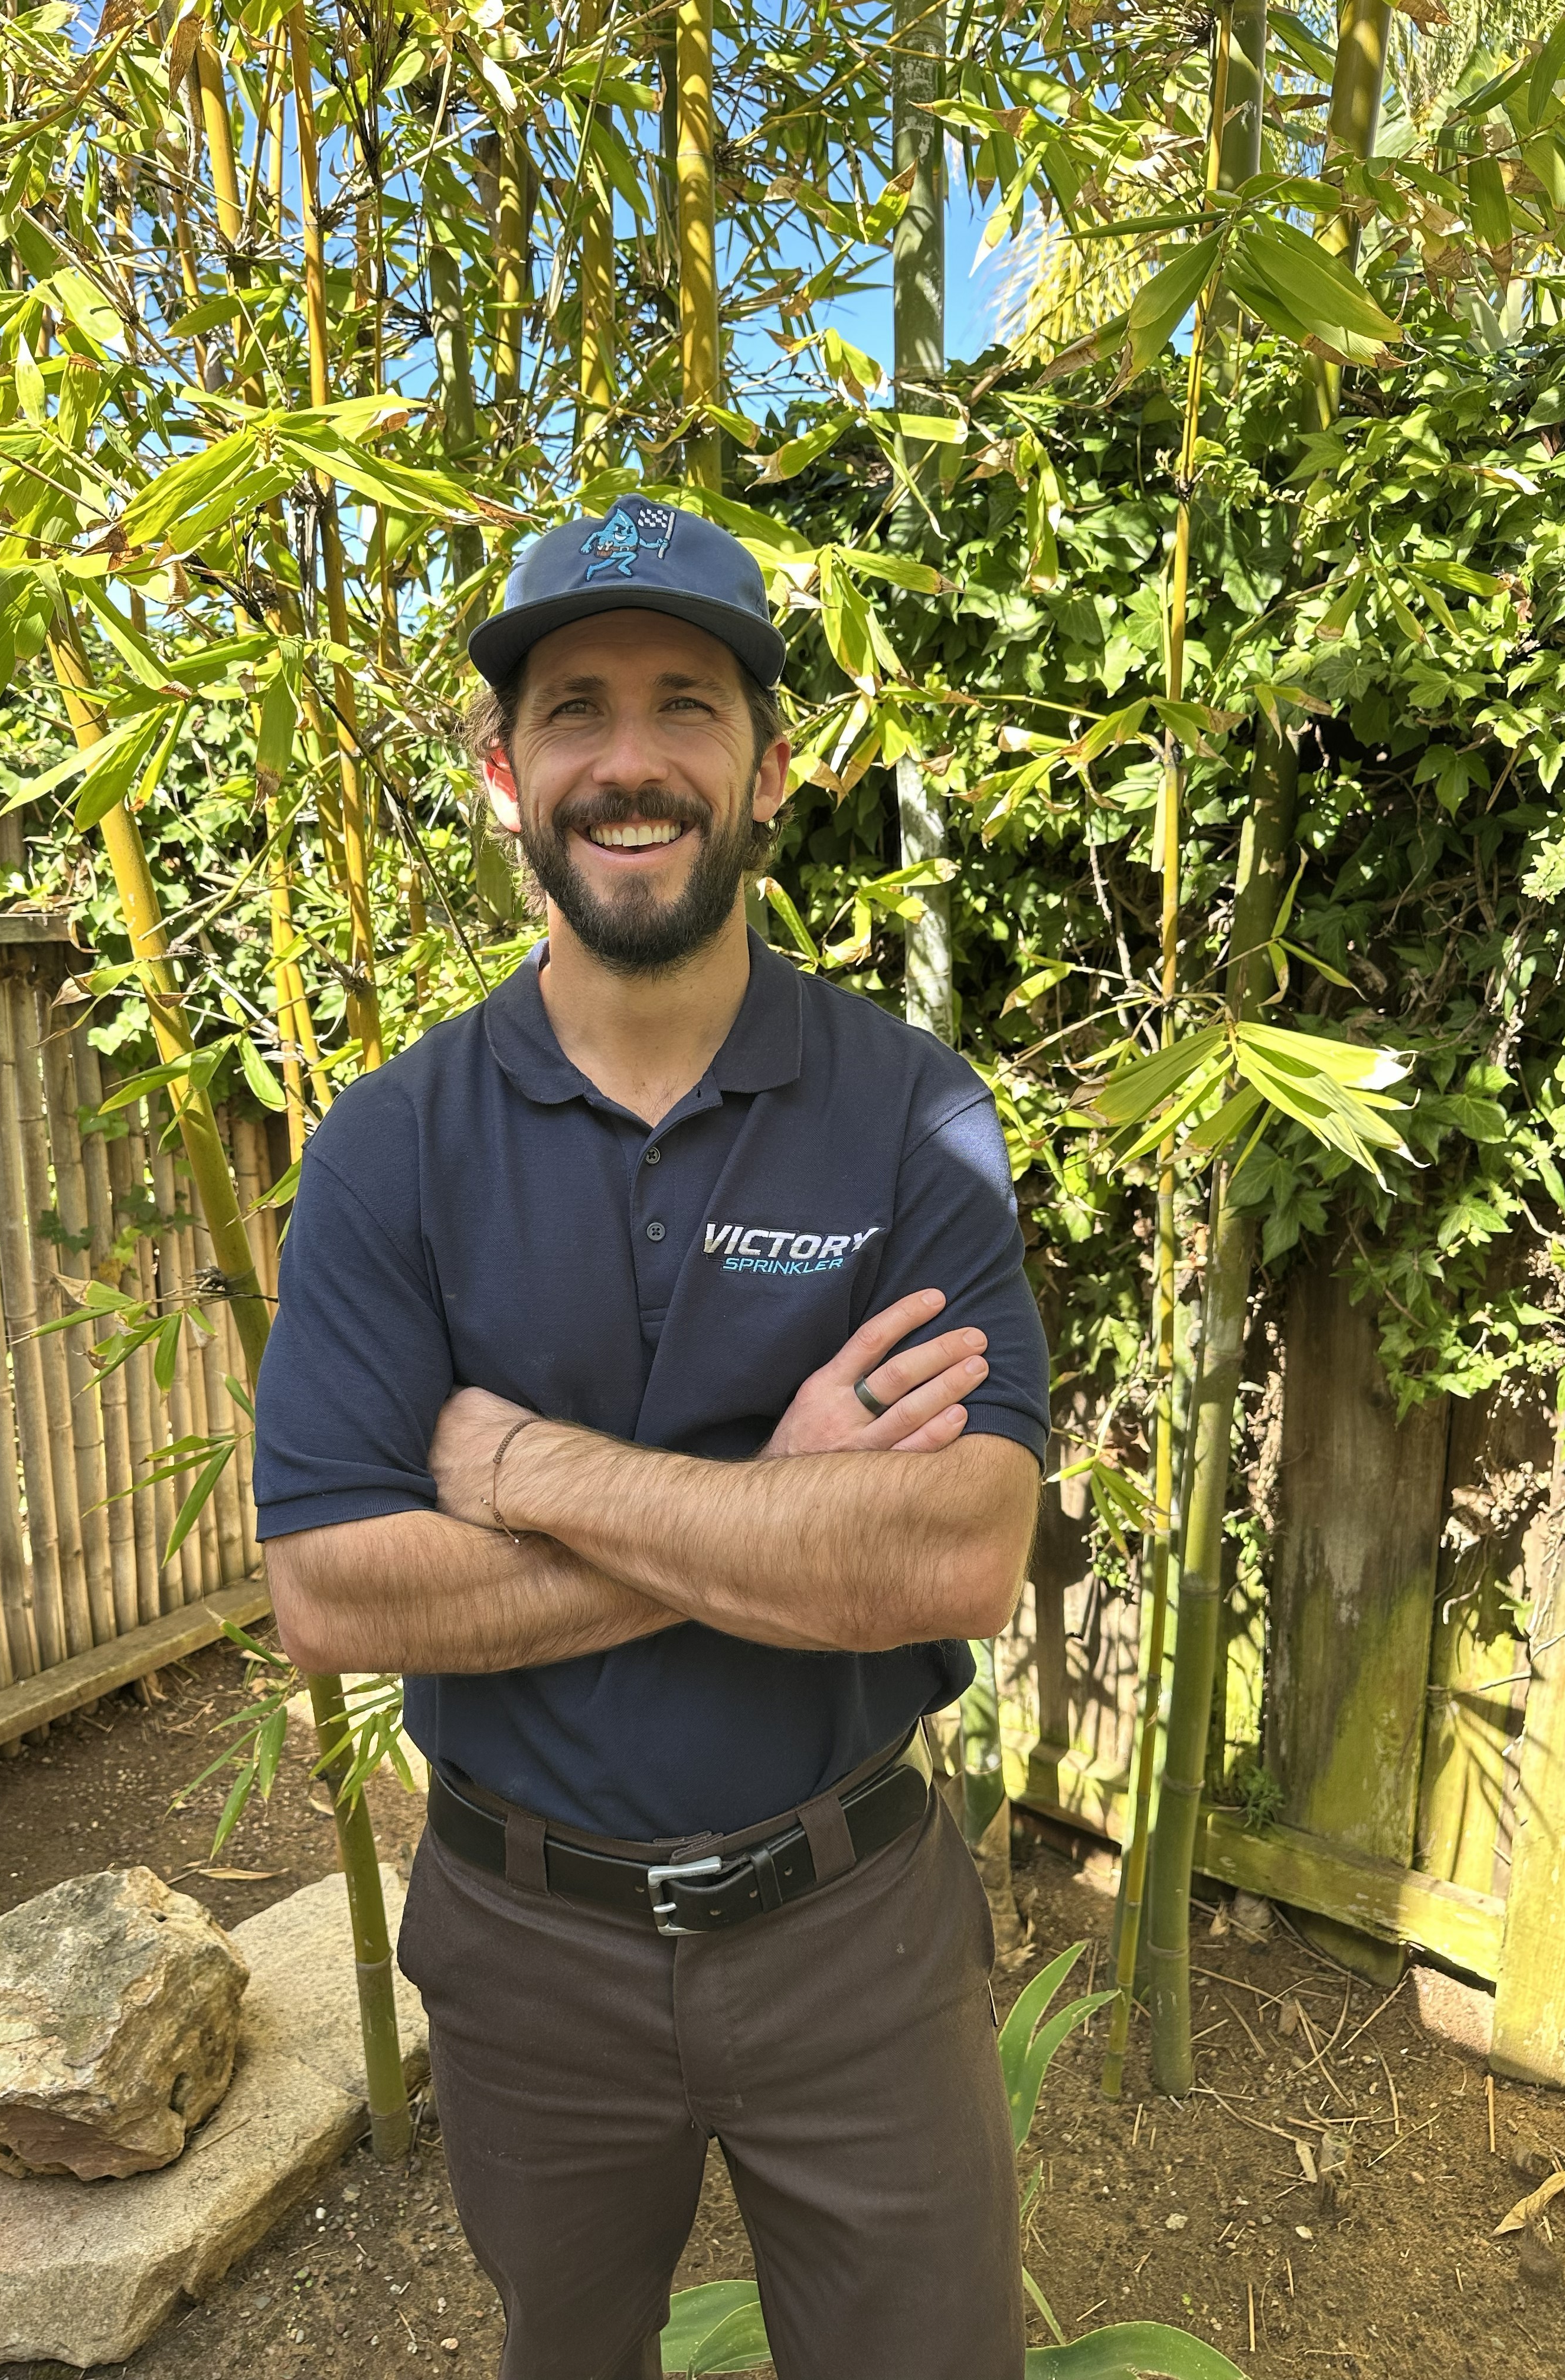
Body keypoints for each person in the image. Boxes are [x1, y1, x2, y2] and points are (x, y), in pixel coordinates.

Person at [253, 496, 1051, 2380]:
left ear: (770, 768)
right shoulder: (395, 1144)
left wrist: (525, 1472)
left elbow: (955, 1557)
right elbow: (333, 1591)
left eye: (687, 705)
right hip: (529, 1952)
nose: (630, 760)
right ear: (501, 778)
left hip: (852, 1929)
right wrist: (780, 1519)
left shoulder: (909, 1115)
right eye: (575, 710)